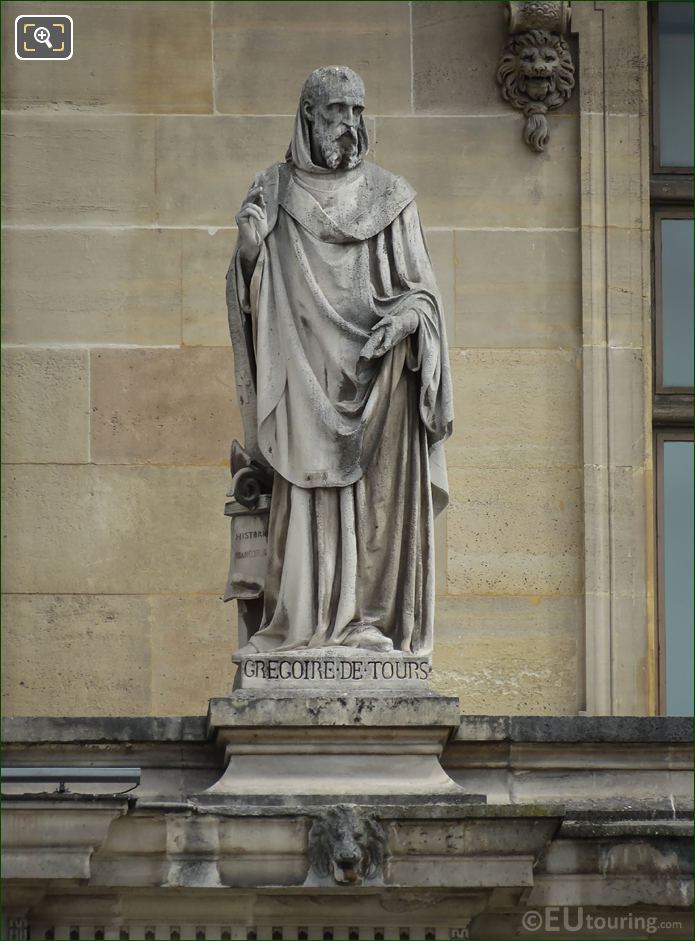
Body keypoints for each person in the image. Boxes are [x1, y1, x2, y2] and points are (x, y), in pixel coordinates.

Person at [227, 66, 452, 658]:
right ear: (308, 116)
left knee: (374, 505)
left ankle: (364, 620)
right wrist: (250, 254)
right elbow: (253, 300)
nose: (349, 125)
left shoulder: (391, 197)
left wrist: (407, 322)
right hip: (301, 373)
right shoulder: (272, 191)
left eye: (357, 111)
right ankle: (301, 626)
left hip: (377, 382)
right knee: (305, 491)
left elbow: (423, 295)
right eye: (336, 112)